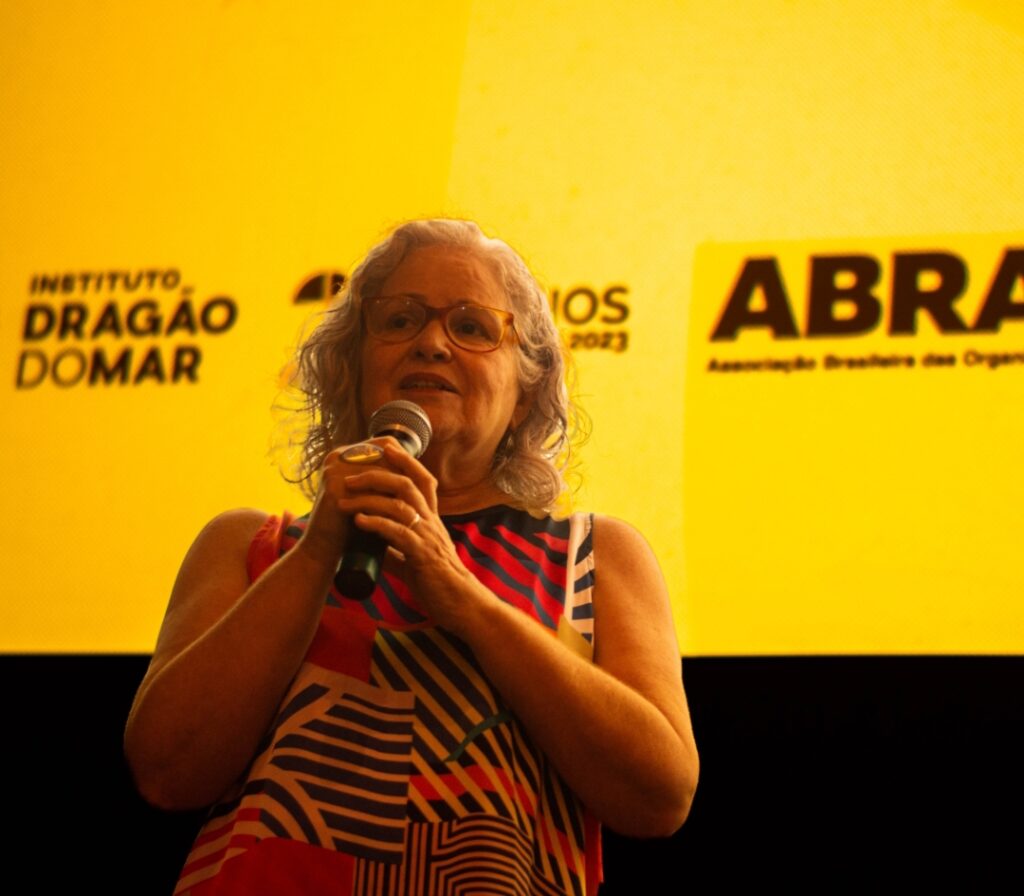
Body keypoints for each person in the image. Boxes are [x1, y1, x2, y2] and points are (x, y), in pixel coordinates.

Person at [124, 218, 699, 895]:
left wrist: (465, 599)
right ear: (352, 371)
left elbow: (660, 796)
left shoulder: (594, 555)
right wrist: (318, 556)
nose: (431, 342)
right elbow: (166, 773)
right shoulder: (251, 547)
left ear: (524, 394)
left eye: (473, 327)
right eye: (399, 320)